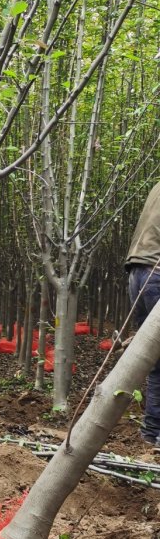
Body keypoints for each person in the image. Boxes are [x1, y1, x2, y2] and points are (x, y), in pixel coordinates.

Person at [125, 182, 160, 445]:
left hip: (138, 272)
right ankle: (153, 432)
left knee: (153, 361)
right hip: (156, 273)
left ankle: (150, 432)